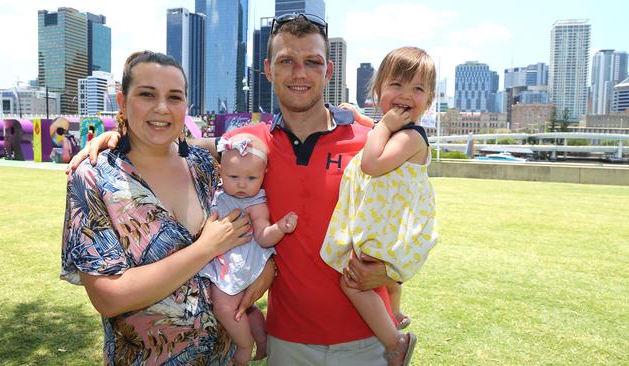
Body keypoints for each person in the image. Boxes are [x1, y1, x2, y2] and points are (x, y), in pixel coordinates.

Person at [69, 14, 409, 366]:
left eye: (312, 62)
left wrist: (392, 271)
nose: (299, 73)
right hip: (286, 340)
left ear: (329, 70)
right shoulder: (248, 148)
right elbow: (172, 141)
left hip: (364, 340)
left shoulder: (369, 145)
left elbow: (414, 221)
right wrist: (119, 138)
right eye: (286, 61)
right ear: (267, 69)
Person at [60, 50, 276, 365]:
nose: (162, 108)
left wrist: (268, 270)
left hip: (223, 356)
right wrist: (205, 248)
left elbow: (259, 155)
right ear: (122, 101)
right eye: (147, 94)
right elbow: (108, 297)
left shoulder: (203, 165)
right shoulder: (94, 178)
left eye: (174, 97)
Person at [320, 46, 439, 365]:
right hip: (388, 229)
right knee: (384, 277)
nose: (406, 94)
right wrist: (362, 118)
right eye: (396, 85)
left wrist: (383, 125)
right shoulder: (392, 132)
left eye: (417, 88)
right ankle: (396, 312)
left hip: (386, 233)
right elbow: (376, 132)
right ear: (378, 91)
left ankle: (395, 343)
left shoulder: (411, 137)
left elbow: (372, 163)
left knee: (354, 283)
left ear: (428, 101)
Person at [201, 132, 298, 365]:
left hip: (240, 263)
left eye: (251, 178)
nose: (242, 184)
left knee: (224, 306)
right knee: (247, 307)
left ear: (264, 175)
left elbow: (264, 237)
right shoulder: (218, 192)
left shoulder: (255, 204)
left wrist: (280, 228)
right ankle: (262, 340)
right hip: (223, 257)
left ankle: (244, 346)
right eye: (233, 176)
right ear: (220, 170)